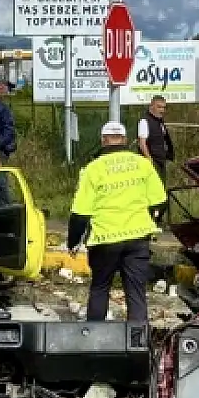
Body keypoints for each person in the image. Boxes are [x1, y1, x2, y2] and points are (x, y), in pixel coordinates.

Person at [68, 120, 167, 324]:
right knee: (136, 290)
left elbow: (80, 213)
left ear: (103, 140)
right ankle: (138, 342)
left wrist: (73, 241)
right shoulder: (143, 164)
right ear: (125, 140)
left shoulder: (92, 169)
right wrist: (149, 218)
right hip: (138, 237)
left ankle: (95, 338)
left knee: (100, 287)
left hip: (105, 238)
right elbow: (160, 201)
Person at [136, 95, 175, 184]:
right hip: (151, 162)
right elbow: (142, 143)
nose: (162, 110)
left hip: (161, 161)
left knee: (161, 187)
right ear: (151, 106)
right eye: (159, 107)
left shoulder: (160, 121)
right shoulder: (144, 121)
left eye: (163, 107)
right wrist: (149, 159)